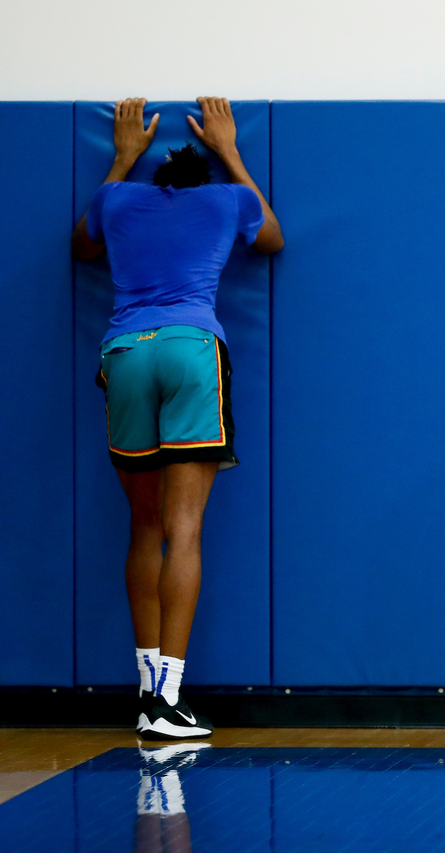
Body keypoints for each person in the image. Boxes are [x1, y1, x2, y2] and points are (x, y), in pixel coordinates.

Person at [72, 97, 284, 740]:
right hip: (191, 351)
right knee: (184, 530)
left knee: (145, 525)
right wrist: (232, 150)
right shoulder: (228, 201)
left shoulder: (115, 200)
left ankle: (146, 697)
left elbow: (81, 247)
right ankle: (169, 701)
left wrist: (123, 157)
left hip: (126, 353)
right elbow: (272, 238)